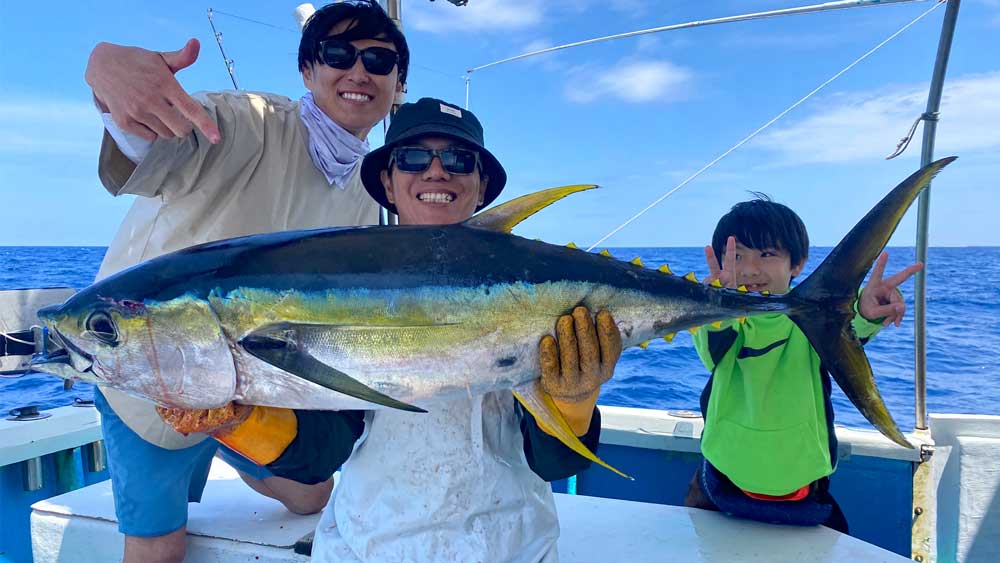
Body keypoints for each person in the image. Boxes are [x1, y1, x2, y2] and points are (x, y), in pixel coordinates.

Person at [160, 97, 622, 562]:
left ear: (482, 185)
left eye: (460, 160)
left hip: (513, 548)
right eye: (414, 158)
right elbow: (322, 455)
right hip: (371, 547)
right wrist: (241, 421)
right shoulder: (335, 281)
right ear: (388, 180)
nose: (436, 172)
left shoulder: (540, 292)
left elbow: (557, 462)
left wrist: (574, 403)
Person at [84, 2, 409, 561]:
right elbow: (146, 147)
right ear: (308, 71)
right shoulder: (240, 122)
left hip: (248, 389)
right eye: (338, 54)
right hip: (152, 381)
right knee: (158, 549)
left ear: (397, 85)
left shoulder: (368, 189)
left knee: (312, 497)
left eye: (379, 60)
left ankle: (229, 449)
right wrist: (108, 78)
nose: (359, 72)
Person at [682, 195, 923, 533]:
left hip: (804, 491)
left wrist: (864, 313)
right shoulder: (721, 322)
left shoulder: (816, 322)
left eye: (766, 254)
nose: (750, 269)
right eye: (737, 256)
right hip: (720, 484)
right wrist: (716, 306)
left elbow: (848, 329)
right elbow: (713, 349)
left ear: (797, 264)